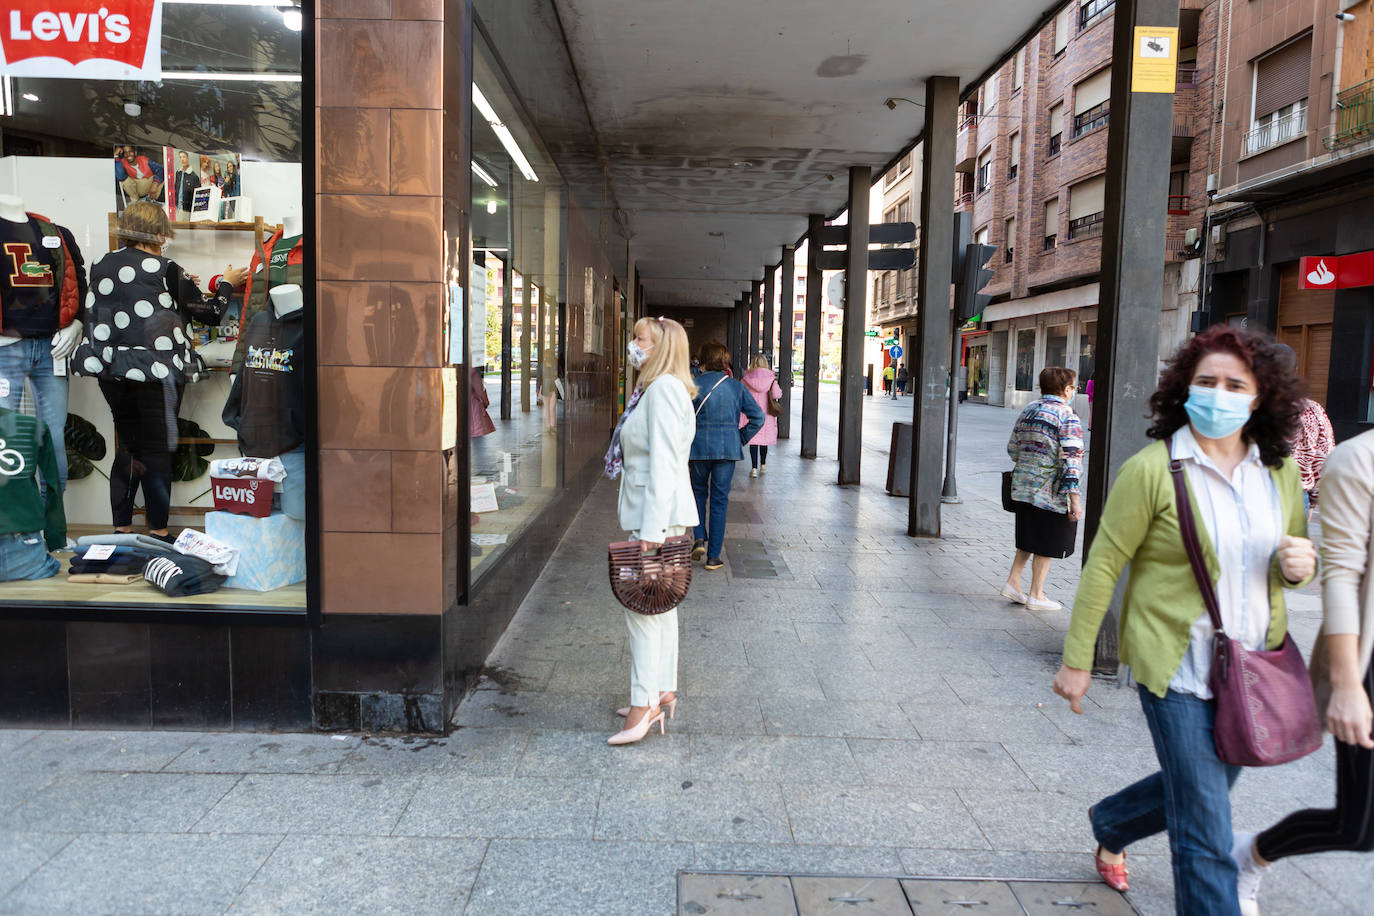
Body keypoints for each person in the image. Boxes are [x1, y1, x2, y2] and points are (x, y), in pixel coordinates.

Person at [1051, 325, 1316, 915]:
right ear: (1183, 389)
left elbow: (1291, 560)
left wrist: (1299, 565)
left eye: (1234, 383)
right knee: (1205, 834)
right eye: (1206, 381)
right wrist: (1077, 658)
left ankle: (1113, 821)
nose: (1218, 394)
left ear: (1259, 396)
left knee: (1204, 790)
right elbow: (1104, 565)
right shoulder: (1153, 469)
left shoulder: (1280, 473)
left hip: (1253, 669)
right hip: (1177, 669)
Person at [1230, 427, 1374, 916]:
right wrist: (1349, 683)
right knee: (1359, 828)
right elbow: (1341, 575)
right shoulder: (1358, 461)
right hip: (1368, 664)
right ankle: (1250, 854)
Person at [72, 202, 246, 541]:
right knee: (156, 449)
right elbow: (210, 314)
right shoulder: (165, 268)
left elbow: (131, 301)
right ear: (156, 233)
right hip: (155, 371)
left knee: (128, 448)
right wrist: (226, 283)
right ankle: (159, 533)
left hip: (111, 369)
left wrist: (174, 290)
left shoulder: (100, 264)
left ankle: (121, 529)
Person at [603, 317, 699, 746]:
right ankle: (662, 689)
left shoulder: (661, 392)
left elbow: (662, 463)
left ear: (659, 347)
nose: (632, 345)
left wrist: (652, 530)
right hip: (661, 514)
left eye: (639, 339)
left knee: (642, 608)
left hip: (656, 517)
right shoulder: (663, 389)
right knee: (661, 605)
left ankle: (643, 707)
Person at [1001, 366, 1084, 612]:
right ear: (1067, 389)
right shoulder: (1067, 416)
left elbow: (1012, 449)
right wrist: (1075, 501)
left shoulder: (1028, 410)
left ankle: (1013, 582)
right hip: (1050, 491)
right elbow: (1072, 461)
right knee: (1047, 541)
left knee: (1029, 536)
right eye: (1073, 387)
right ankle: (1036, 594)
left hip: (1023, 487)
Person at [688, 342, 764, 570]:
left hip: (698, 449)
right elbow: (758, 417)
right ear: (724, 361)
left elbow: (682, 417)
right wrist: (739, 438)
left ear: (703, 360)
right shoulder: (736, 387)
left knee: (698, 494)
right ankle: (713, 557)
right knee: (720, 501)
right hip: (727, 450)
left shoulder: (692, 385)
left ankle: (699, 536)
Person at [741, 354, 781, 478]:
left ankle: (754, 468)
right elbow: (777, 395)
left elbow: (740, 394)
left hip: (751, 413)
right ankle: (763, 464)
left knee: (754, 440)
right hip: (767, 414)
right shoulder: (771, 380)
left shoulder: (746, 379)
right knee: (763, 441)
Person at [171, 151, 200, 222]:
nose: (182, 159)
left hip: (187, 210)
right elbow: (176, 187)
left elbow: (196, 195)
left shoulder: (194, 176)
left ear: (188, 158)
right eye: (180, 157)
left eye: (184, 157)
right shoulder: (178, 173)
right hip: (176, 207)